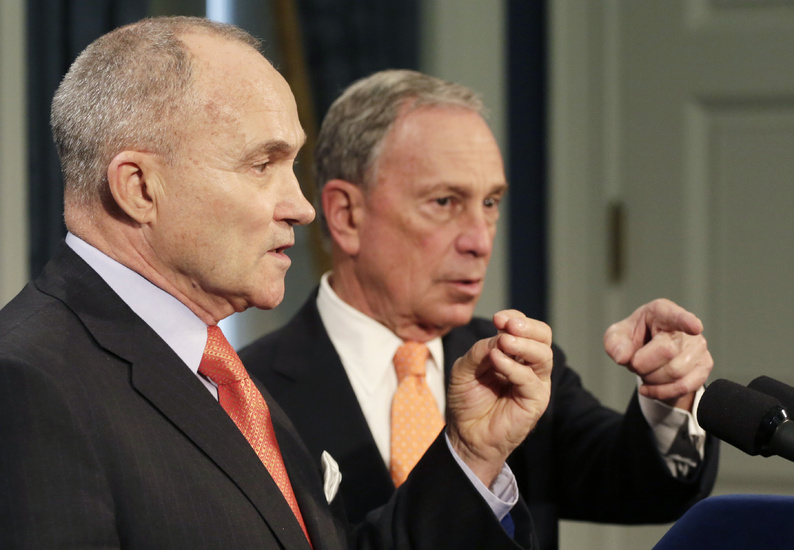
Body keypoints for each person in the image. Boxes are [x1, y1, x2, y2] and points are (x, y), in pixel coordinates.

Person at [0, 19, 553, 549]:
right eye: (263, 163)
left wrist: (468, 453)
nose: (302, 208)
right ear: (140, 187)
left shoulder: (219, 371)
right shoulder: (26, 383)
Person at [240, 69, 720, 550]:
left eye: (490, 202)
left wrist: (667, 398)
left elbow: (642, 486)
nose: (479, 240)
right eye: (445, 201)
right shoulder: (247, 392)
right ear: (347, 215)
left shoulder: (512, 364)